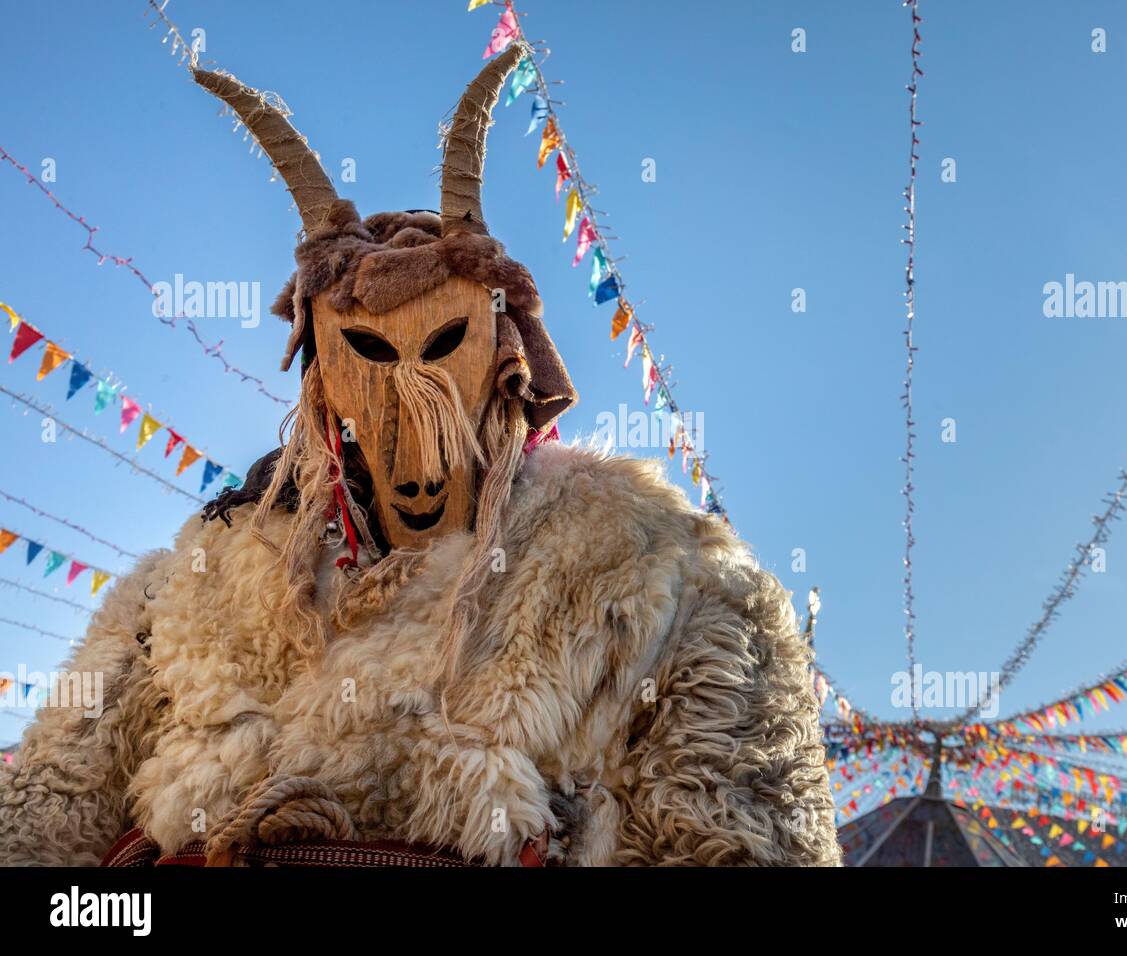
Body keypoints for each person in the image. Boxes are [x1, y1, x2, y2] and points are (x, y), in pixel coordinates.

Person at [0, 44, 839, 867]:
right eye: (364, 351)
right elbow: (44, 810)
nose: (408, 399)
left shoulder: (658, 574)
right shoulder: (190, 588)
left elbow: (741, 831)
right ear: (320, 375)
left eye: (443, 344)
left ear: (506, 358)